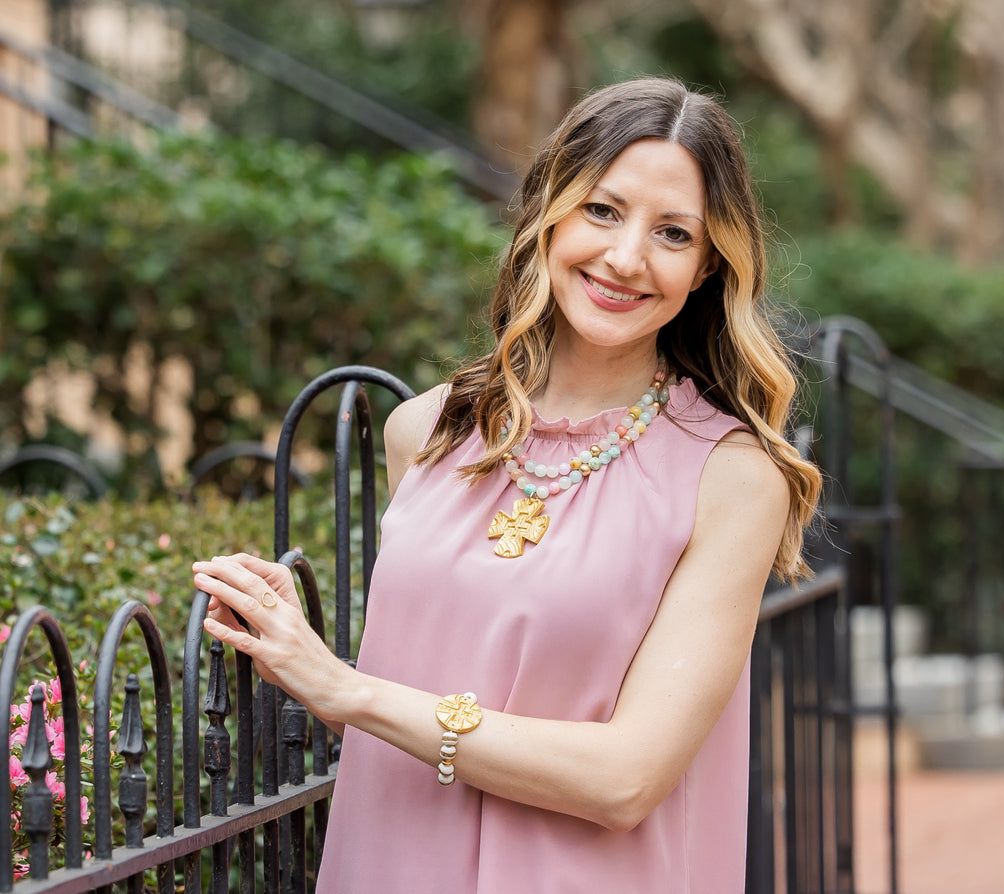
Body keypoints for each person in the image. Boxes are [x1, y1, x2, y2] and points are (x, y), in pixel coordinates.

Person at [193, 77, 821, 893]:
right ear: (548, 214)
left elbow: (626, 779)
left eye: (672, 233)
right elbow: (447, 657)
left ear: (707, 267)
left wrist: (345, 690)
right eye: (602, 210)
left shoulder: (731, 477)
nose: (626, 257)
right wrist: (293, 643)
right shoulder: (423, 431)